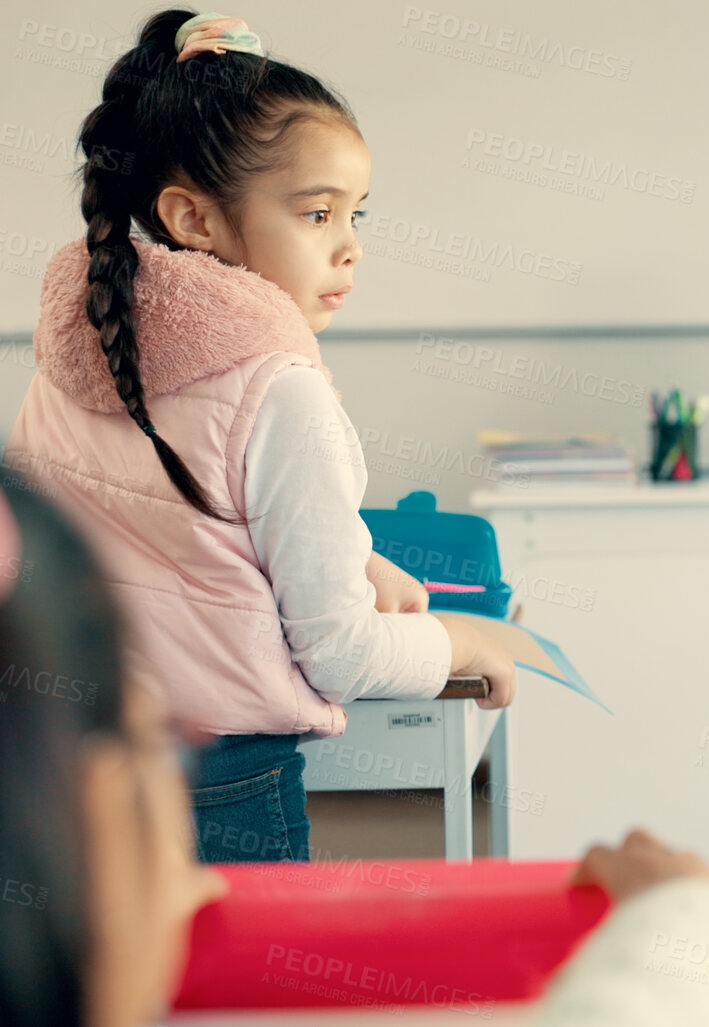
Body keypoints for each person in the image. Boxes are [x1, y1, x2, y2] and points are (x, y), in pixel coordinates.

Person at [0, 473, 709, 1026]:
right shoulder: (284, 386)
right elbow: (342, 648)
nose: (195, 730)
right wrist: (690, 917)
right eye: (155, 744)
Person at [5, 10, 515, 864]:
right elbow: (343, 655)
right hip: (220, 782)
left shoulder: (81, 345)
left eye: (358, 216)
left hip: (63, 764)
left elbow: (170, 534)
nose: (349, 249)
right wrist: (465, 641)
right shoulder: (282, 391)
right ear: (193, 219)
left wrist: (358, 558)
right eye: (317, 215)